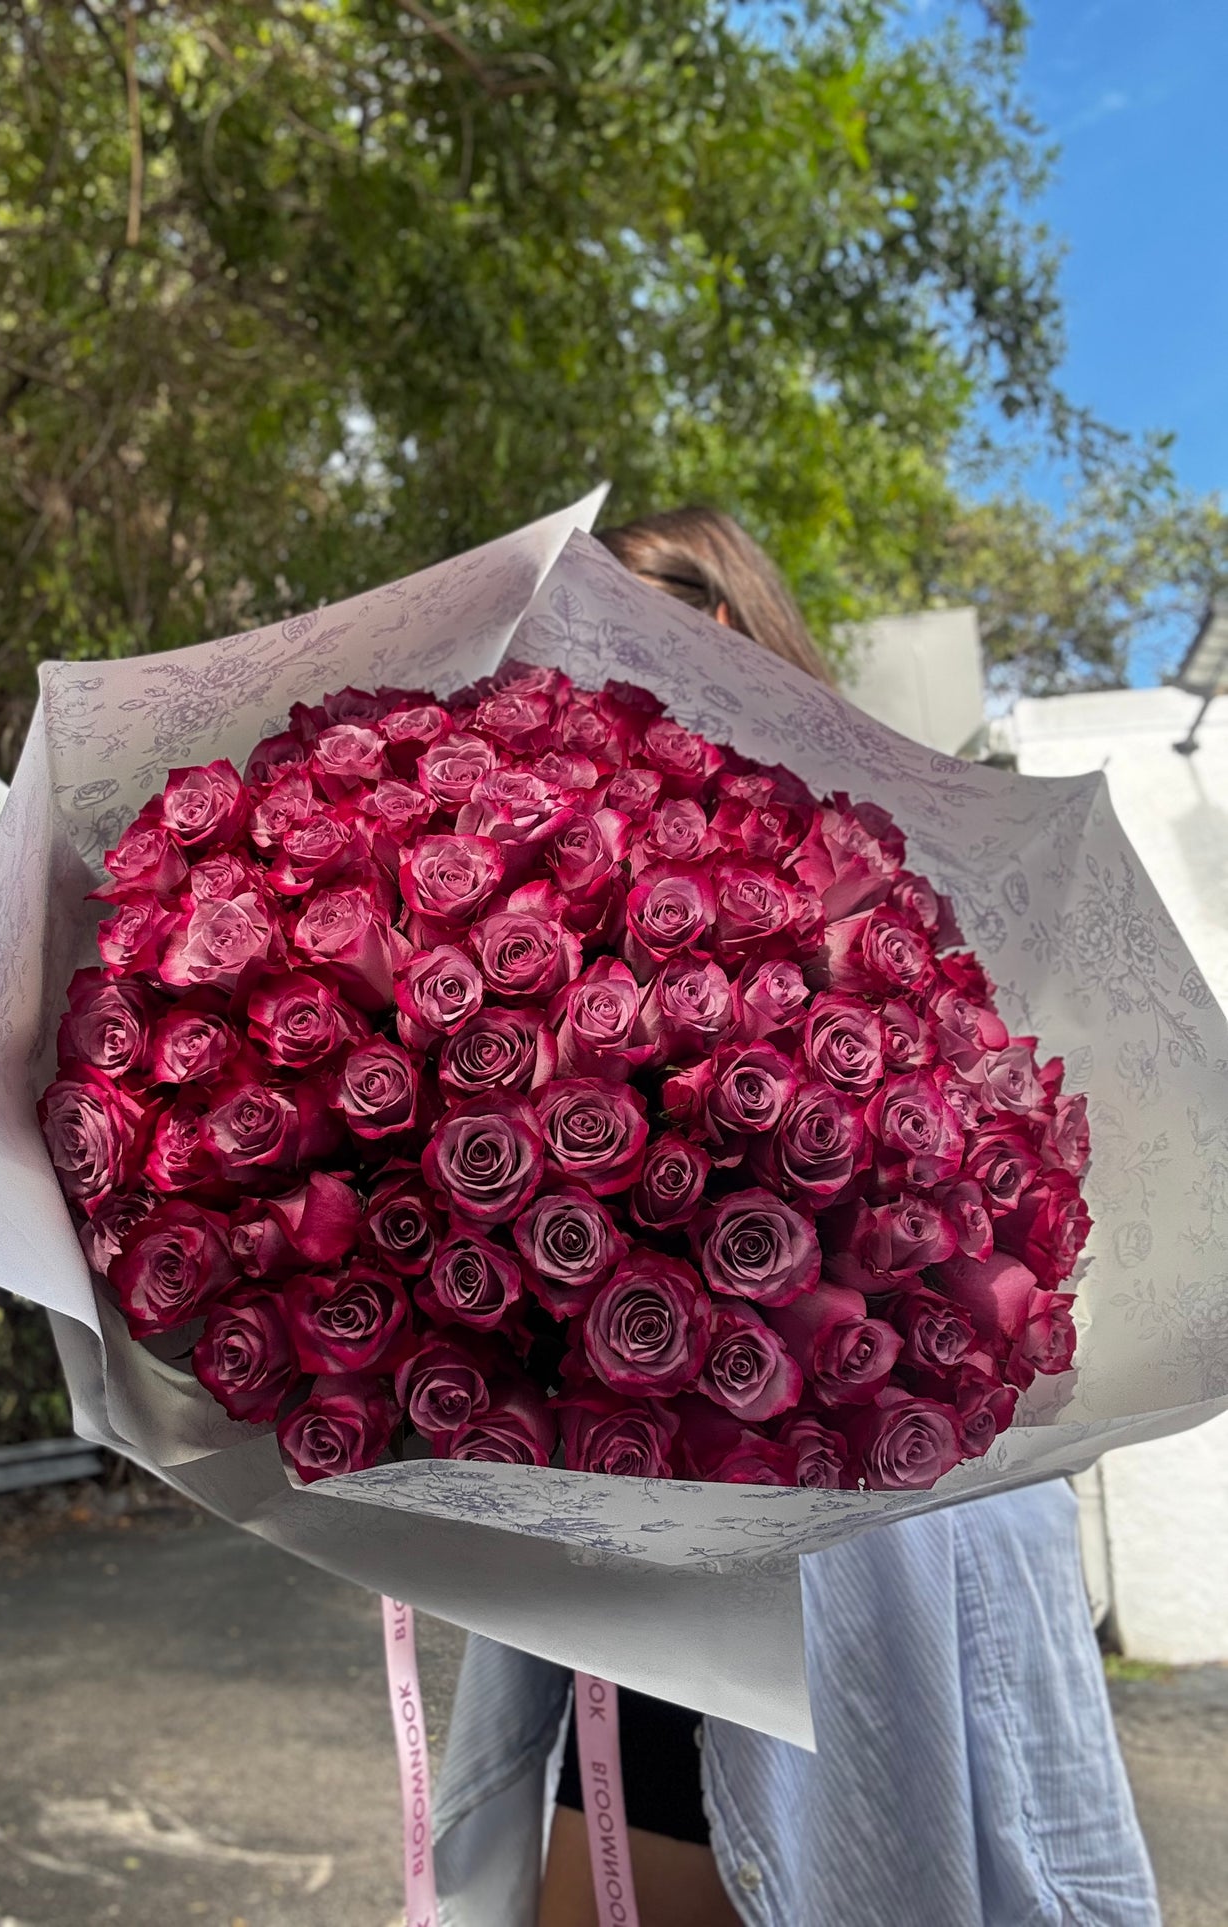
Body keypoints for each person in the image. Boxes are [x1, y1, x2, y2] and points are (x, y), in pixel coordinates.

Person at [429, 508, 1160, 1927]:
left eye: (653, 612)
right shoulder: (523, 891)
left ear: (735, 625)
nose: (612, 655)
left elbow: (982, 1239)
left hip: (860, 1541)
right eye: (573, 625)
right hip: (630, 1543)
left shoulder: (887, 883)